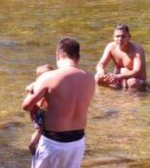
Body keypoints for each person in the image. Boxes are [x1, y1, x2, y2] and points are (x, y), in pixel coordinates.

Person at [22, 37, 95, 168]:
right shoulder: (90, 78)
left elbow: (26, 106)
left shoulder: (48, 77)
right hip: (77, 142)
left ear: (58, 54)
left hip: (53, 143)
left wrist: (34, 87)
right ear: (78, 56)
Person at [95, 24, 147, 90]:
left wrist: (118, 76)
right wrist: (101, 71)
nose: (120, 39)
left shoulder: (137, 50)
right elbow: (100, 64)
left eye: (123, 36)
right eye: (117, 36)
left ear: (129, 37)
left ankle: (131, 99)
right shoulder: (111, 47)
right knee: (98, 77)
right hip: (118, 77)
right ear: (113, 37)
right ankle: (106, 96)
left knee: (132, 83)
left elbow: (137, 71)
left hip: (136, 80)